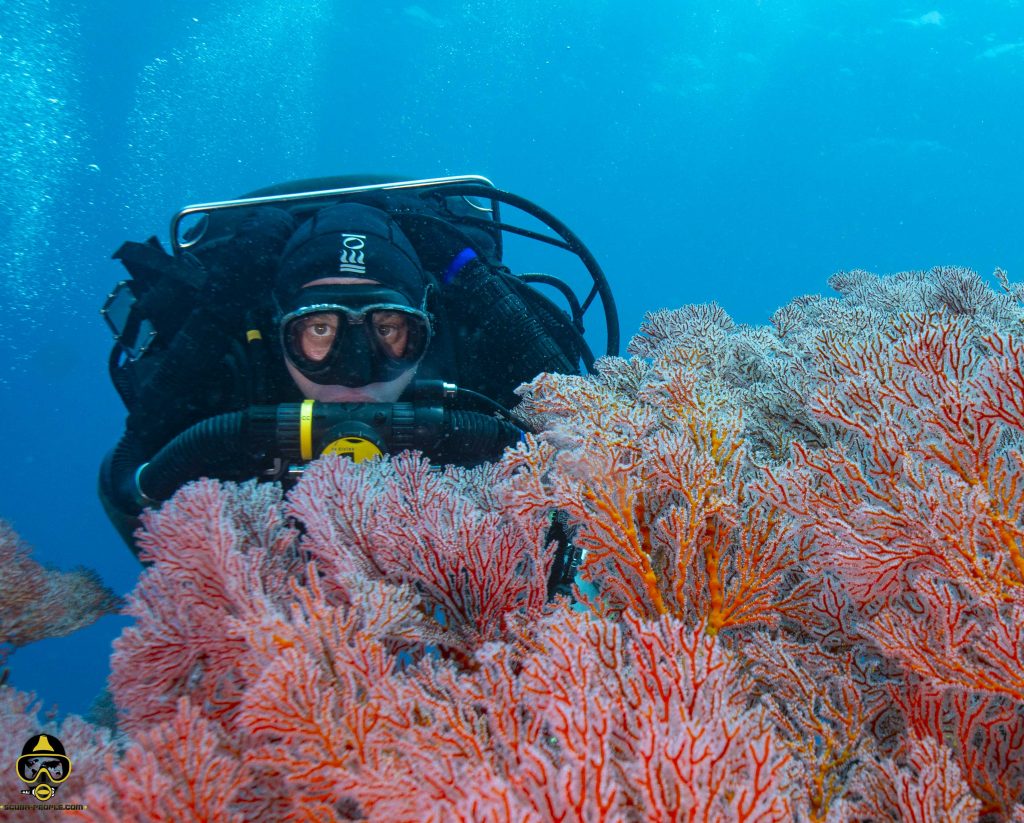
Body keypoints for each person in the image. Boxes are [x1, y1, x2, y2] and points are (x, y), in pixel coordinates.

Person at [99, 175, 618, 595]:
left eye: (387, 330)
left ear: (426, 331)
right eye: (319, 329)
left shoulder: (476, 366)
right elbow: (130, 484)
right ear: (280, 335)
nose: (355, 368)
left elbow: (593, 433)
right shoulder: (232, 379)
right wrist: (219, 303)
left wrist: (474, 278)